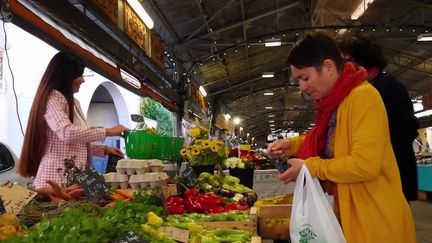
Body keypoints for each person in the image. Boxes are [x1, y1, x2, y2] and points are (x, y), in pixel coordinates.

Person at [268, 32, 416, 243]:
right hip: (348, 213)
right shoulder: (338, 100)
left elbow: (365, 165)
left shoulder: (363, 97)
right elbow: (331, 138)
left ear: (328, 67)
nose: (302, 87)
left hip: (372, 221)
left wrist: (310, 167)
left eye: (305, 77)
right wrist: (292, 144)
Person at [18, 51, 128, 189]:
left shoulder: (74, 102)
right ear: (65, 76)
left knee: (96, 202)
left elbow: (75, 144)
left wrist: (104, 149)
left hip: (77, 177)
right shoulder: (53, 98)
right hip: (56, 179)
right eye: (79, 75)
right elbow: (67, 134)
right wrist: (108, 131)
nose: (83, 80)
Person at [338, 34, 419, 201]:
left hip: (392, 172)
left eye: (347, 60)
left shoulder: (389, 86)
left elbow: (408, 128)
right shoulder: (357, 90)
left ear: (362, 61)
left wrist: (373, 144)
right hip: (370, 176)